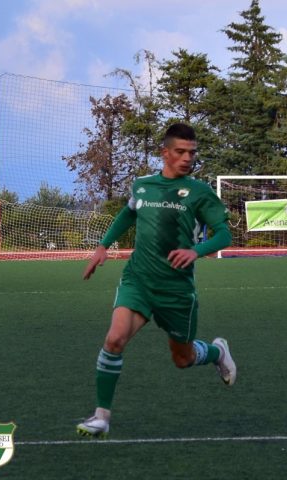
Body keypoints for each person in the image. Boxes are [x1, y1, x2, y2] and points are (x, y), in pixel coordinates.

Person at [76, 123, 235, 438]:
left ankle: (217, 352)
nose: (187, 158)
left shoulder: (200, 193)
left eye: (192, 152)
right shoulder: (143, 186)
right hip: (138, 280)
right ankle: (101, 417)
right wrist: (103, 245)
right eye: (180, 151)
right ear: (165, 153)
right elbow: (128, 214)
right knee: (114, 340)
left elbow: (225, 234)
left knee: (183, 358)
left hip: (176, 291)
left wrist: (196, 251)